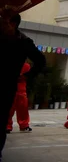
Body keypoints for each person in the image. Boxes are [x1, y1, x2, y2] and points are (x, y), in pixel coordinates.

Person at [0, 13, 46, 162]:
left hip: (7, 85)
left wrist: (27, 76)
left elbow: (40, 61)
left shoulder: (24, 42)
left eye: (3, 20)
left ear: (12, 24)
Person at [6, 62, 32, 133]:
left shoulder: (26, 66)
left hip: (21, 90)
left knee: (23, 108)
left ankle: (24, 125)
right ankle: (7, 126)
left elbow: (28, 76)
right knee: (9, 109)